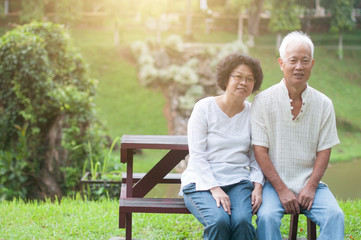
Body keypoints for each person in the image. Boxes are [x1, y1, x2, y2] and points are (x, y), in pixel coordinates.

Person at [251, 31, 344, 240]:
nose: (299, 67)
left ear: (312, 63)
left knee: (335, 216)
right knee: (266, 218)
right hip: (272, 185)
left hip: (311, 184)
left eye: (304, 61)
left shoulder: (324, 103)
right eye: (293, 60)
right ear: (281, 63)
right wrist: (282, 189)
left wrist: (310, 186)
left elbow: (324, 150)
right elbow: (260, 150)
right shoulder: (263, 101)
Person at [180, 53, 264, 240]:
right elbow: (197, 155)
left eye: (249, 79)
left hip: (238, 182)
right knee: (219, 221)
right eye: (238, 76)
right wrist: (215, 188)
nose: (243, 82)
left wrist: (257, 187)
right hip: (201, 183)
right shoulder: (204, 108)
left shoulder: (253, 113)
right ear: (226, 78)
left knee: (242, 221)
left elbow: (256, 156)